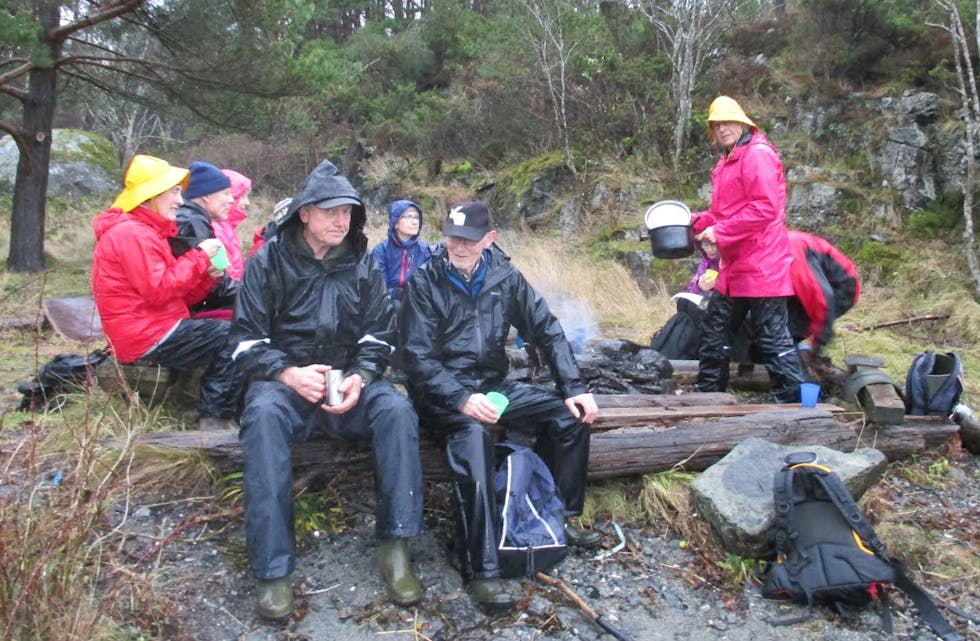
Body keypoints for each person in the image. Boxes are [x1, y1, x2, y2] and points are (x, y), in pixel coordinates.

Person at [230, 160, 424, 620]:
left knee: (396, 411)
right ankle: (273, 570)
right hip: (287, 387)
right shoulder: (268, 261)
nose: (342, 222)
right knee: (260, 418)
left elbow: (380, 334)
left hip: (346, 384)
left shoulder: (362, 265)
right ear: (304, 213)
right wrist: (285, 373)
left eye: (349, 213)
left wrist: (365, 374)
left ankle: (396, 547)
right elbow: (243, 342)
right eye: (331, 212)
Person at [398, 200, 601, 611]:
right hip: (442, 396)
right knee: (473, 439)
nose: (458, 246)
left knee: (568, 416)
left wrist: (574, 386)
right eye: (452, 237)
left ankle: (558, 518)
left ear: (489, 239)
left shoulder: (505, 276)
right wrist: (459, 398)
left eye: (468, 240)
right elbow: (415, 357)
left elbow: (547, 329)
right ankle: (483, 569)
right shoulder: (425, 281)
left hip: (494, 388)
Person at [91, 154, 239, 430]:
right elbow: (159, 290)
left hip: (154, 326)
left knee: (227, 329)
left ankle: (200, 409)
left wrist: (207, 277)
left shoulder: (146, 232)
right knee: (232, 334)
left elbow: (174, 294)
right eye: (173, 192)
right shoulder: (131, 234)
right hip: (144, 335)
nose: (180, 201)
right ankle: (215, 418)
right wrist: (200, 257)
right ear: (150, 197)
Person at [691, 96, 807, 403]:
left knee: (771, 336)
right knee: (716, 329)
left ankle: (794, 402)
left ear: (743, 122)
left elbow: (765, 208)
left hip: (762, 263)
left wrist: (720, 231)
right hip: (735, 266)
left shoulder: (757, 155)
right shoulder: (727, 160)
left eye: (728, 122)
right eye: (717, 125)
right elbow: (724, 212)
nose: (723, 128)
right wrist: (694, 222)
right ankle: (708, 396)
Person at [174, 161, 238, 317]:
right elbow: (215, 288)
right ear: (206, 196)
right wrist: (256, 291)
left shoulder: (188, 217)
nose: (231, 200)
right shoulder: (193, 222)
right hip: (188, 313)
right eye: (225, 193)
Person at [786, 230, 860, 353]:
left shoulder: (791, 251)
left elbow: (821, 297)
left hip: (842, 287)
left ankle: (804, 362)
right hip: (817, 285)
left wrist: (819, 340)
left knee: (790, 330)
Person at [371, 199, 432, 311]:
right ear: (396, 223)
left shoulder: (425, 251)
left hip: (417, 304)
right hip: (387, 304)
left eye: (416, 217)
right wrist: (398, 293)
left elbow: (427, 286)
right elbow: (379, 287)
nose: (414, 222)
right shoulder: (381, 250)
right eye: (409, 217)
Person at [215, 168, 253, 281]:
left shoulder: (227, 227)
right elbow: (225, 274)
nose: (247, 202)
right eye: (243, 196)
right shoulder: (217, 229)